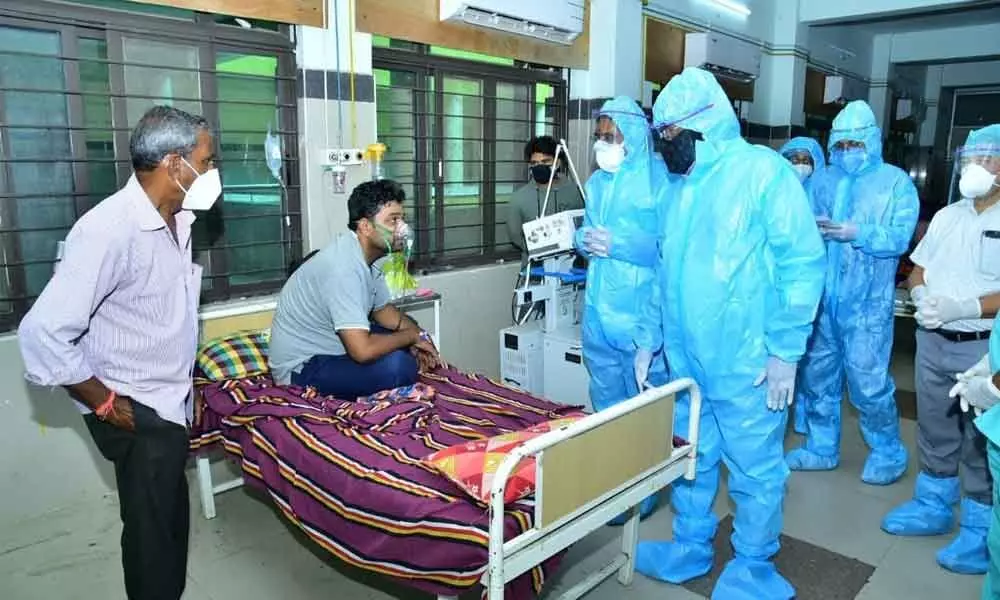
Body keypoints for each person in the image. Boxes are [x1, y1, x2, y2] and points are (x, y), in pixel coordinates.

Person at [635, 67, 826, 599]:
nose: (665, 144)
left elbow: (804, 265)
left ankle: (754, 565)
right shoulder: (677, 186)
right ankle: (690, 546)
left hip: (748, 359)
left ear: (705, 124)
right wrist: (649, 337)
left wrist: (787, 351)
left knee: (756, 466)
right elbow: (663, 266)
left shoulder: (763, 173)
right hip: (687, 358)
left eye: (670, 134)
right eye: (661, 134)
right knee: (691, 456)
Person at [18, 105, 219, 600]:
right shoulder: (109, 230)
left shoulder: (180, 219)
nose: (213, 173)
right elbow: (42, 333)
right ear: (176, 165)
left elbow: (163, 314)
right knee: (152, 537)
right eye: (207, 161)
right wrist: (107, 404)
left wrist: (186, 382)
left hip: (167, 399)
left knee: (170, 518)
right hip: (134, 406)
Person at [882, 124, 1000, 575]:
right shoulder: (949, 215)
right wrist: (919, 295)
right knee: (934, 426)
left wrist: (965, 306)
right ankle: (932, 505)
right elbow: (917, 268)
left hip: (983, 346)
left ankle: (978, 529)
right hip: (933, 342)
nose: (977, 167)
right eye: (971, 158)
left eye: (988, 158)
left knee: (980, 435)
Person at [786, 100, 918, 486]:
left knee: (869, 383)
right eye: (840, 145)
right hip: (822, 303)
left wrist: (857, 232)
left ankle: (888, 451)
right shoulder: (823, 180)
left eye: (854, 144)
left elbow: (899, 238)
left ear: (871, 142)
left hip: (867, 308)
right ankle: (822, 448)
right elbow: (799, 232)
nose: (846, 153)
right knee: (818, 379)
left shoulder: (895, 183)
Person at [574, 96, 669, 522]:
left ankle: (644, 489)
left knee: (641, 408)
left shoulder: (660, 182)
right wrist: (582, 241)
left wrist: (623, 245)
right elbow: (588, 233)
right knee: (606, 402)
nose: (603, 144)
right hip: (599, 310)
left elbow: (670, 248)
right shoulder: (597, 183)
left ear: (633, 137)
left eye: (610, 137)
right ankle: (614, 483)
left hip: (639, 315)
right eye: (599, 137)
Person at [268, 179, 440, 398]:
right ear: (366, 226)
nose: (403, 229)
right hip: (302, 369)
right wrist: (411, 336)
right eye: (393, 220)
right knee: (398, 366)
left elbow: (382, 311)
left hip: (333, 347)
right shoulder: (343, 269)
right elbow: (362, 351)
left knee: (399, 341)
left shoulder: (371, 257)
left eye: (402, 219)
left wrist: (421, 335)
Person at [779, 136, 827, 435]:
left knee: (816, 364)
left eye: (805, 160)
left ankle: (810, 421)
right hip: (779, 291)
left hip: (816, 292)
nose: (798, 165)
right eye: (792, 158)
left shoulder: (821, 192)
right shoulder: (775, 193)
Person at [506, 135, 585, 264]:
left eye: (545, 162)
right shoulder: (519, 198)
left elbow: (584, 226)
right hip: (536, 272)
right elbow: (515, 235)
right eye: (534, 163)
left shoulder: (575, 192)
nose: (539, 166)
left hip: (572, 269)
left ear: (557, 163)